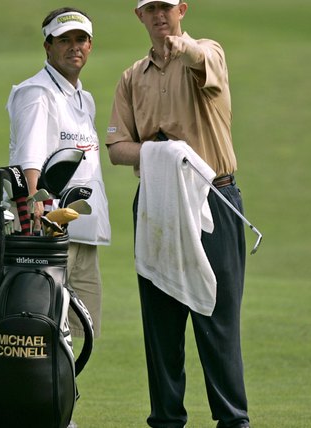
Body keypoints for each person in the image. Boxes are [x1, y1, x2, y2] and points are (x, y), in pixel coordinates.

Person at [105, 1, 250, 427]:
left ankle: (233, 421)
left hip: (214, 200)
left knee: (217, 322)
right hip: (157, 204)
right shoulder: (133, 77)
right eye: (149, 9)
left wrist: (180, 47)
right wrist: (162, 153)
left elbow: (203, 61)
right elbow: (117, 149)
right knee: (161, 326)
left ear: (181, 9)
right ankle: (166, 422)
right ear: (139, 16)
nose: (158, 15)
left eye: (165, 7)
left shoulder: (207, 51)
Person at [7, 7, 111, 342]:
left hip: (82, 234)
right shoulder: (38, 94)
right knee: (46, 330)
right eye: (63, 39)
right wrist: (36, 220)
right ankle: (46, 394)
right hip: (50, 239)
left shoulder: (84, 99)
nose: (74, 46)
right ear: (47, 46)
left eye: (81, 39)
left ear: (90, 45)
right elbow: (30, 161)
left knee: (82, 334)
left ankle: (64, 395)